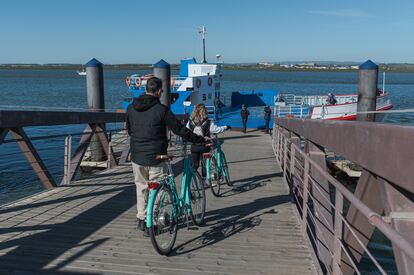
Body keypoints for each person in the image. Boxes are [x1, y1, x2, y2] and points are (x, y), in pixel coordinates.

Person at [126, 77, 205, 236]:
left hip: (137, 156)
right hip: (156, 156)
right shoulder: (162, 110)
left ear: (145, 88)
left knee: (141, 188)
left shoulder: (131, 108)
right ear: (160, 91)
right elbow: (179, 129)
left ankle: (142, 219)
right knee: (159, 189)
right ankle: (153, 223)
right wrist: (198, 139)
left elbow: (129, 130)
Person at [186, 103, 230, 179]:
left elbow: (187, 131)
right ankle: (207, 179)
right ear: (205, 111)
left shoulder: (190, 122)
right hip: (204, 146)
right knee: (206, 164)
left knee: (195, 165)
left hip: (194, 146)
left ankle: (191, 181)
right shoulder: (208, 122)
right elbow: (216, 130)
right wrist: (225, 127)